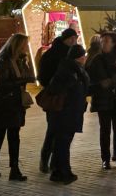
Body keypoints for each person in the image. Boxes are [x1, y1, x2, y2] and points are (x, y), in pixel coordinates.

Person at [0, 33, 35, 182]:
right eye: (24, 45)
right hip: (3, 103)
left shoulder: (21, 60)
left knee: (14, 136)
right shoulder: (3, 61)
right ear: (17, 45)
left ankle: (14, 169)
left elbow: (27, 76)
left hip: (16, 103)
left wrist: (28, 75)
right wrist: (23, 80)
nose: (26, 47)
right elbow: (2, 84)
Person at [87, 32, 116, 169]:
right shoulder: (97, 59)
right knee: (105, 130)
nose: (103, 44)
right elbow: (91, 78)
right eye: (102, 41)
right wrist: (101, 84)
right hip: (102, 98)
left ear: (114, 43)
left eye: (106, 41)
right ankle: (105, 159)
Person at [37, 28, 80, 174]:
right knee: (53, 130)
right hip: (55, 97)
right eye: (72, 38)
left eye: (75, 38)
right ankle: (46, 160)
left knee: (59, 131)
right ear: (66, 39)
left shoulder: (70, 54)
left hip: (66, 98)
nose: (74, 41)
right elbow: (43, 76)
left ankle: (54, 162)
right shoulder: (55, 55)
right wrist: (54, 86)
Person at [46, 44, 90, 185]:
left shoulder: (75, 69)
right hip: (66, 111)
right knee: (63, 142)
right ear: (79, 57)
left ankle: (57, 171)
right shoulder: (69, 70)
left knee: (63, 142)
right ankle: (65, 172)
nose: (85, 58)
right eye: (83, 56)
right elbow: (56, 88)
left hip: (72, 111)